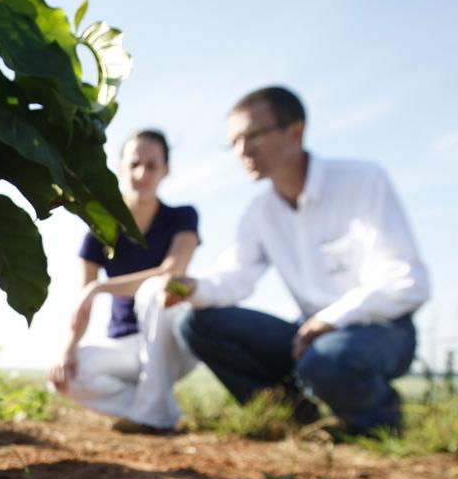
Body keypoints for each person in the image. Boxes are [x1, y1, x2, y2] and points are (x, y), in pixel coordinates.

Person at [165, 86, 429, 436]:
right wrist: (191, 287)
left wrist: (332, 318)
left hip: (380, 329)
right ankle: (295, 418)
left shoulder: (362, 181)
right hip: (308, 336)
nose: (243, 151)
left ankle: (379, 424)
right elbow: (236, 277)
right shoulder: (260, 212)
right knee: (194, 324)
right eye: (235, 142)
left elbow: (407, 280)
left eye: (253, 135)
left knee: (329, 360)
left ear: (295, 131)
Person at [48, 129, 200, 432]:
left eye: (152, 165)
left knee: (157, 289)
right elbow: (83, 301)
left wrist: (102, 287)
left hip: (172, 343)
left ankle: (152, 413)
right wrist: (66, 350)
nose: (142, 173)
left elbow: (171, 273)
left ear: (165, 170)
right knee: (65, 378)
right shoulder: (99, 230)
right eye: (134, 164)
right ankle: (159, 412)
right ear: (120, 168)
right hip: (126, 345)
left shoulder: (183, 217)